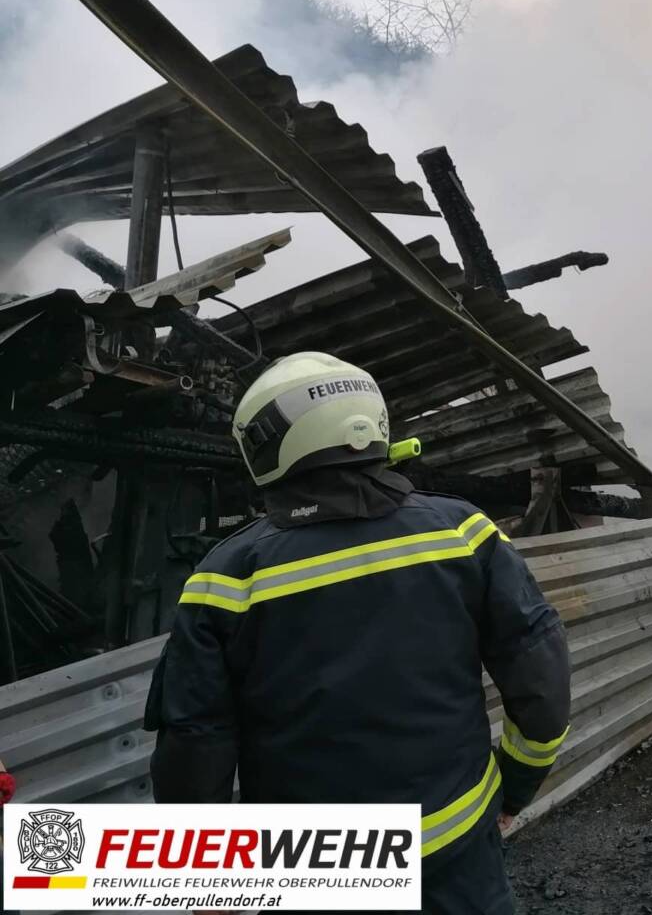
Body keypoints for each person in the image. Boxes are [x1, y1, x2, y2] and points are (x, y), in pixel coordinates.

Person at [145, 352, 570, 915]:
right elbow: (540, 684)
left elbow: (194, 747)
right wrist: (514, 788)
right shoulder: (464, 533)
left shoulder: (227, 577)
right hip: (457, 844)